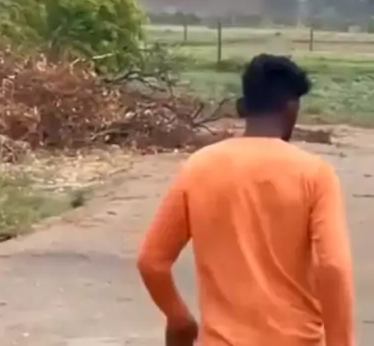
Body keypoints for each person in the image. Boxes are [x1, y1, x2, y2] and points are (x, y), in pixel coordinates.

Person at [137, 53, 355, 346]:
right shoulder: (314, 174)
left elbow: (152, 261)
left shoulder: (199, 167)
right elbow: (334, 267)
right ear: (292, 107)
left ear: (243, 107)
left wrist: (179, 318)